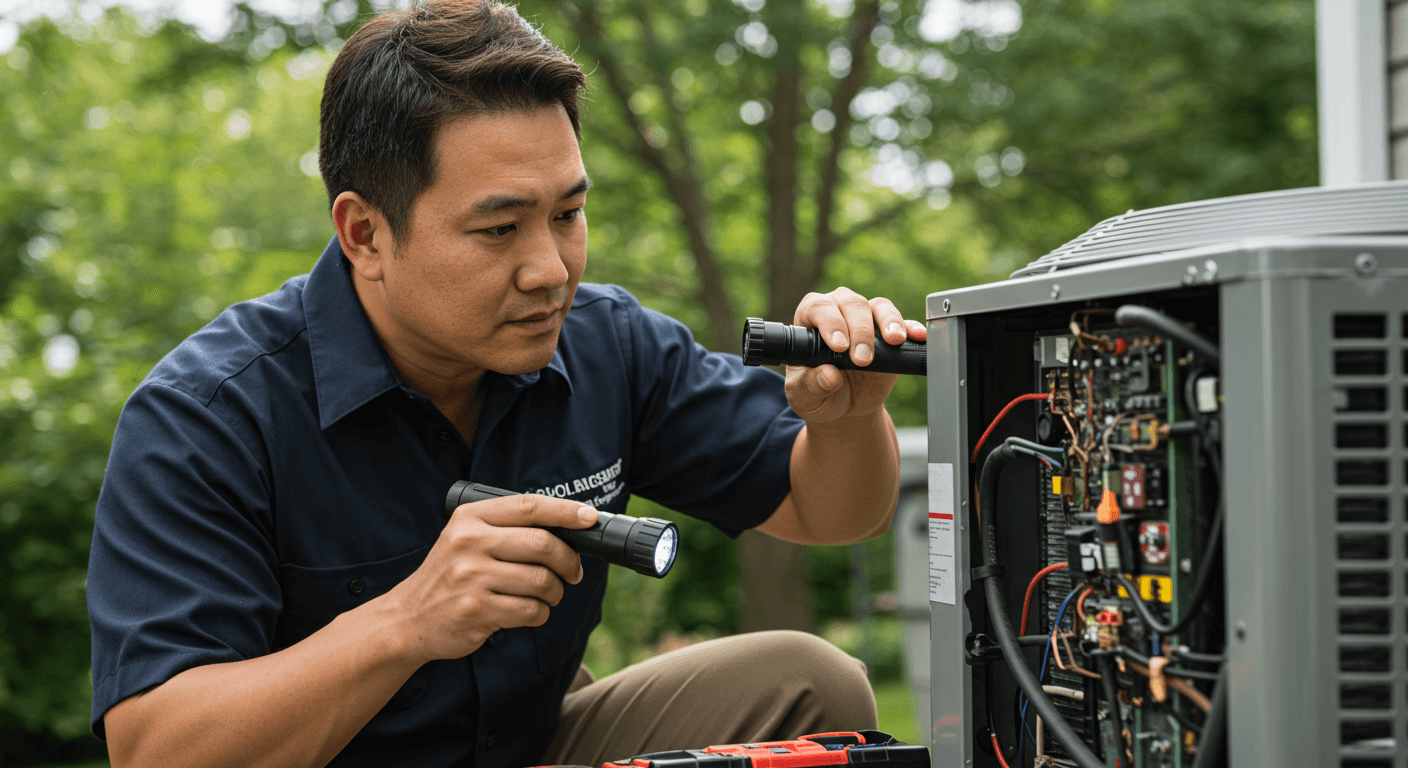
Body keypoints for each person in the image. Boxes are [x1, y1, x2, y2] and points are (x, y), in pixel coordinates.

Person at [87, 2, 926, 766]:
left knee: (810, 684)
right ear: (365, 233)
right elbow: (155, 752)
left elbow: (831, 510)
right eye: (499, 229)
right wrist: (407, 621)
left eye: (567, 215)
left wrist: (846, 420)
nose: (550, 270)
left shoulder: (608, 343)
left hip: (537, 746)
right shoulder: (208, 414)